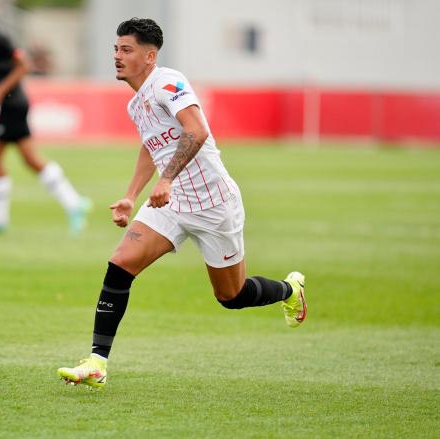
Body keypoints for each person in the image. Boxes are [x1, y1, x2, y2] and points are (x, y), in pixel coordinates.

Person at [57, 18, 307, 389]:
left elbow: (197, 130)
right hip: (171, 205)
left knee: (231, 296)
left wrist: (168, 179)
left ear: (149, 55)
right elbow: (151, 145)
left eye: (126, 50)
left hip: (213, 204)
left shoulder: (168, 82)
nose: (117, 56)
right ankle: (97, 363)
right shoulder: (135, 103)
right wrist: (130, 195)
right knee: (120, 264)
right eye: (115, 49)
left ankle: (290, 291)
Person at [0, 0, 90, 237]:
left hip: (13, 103)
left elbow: (23, 66)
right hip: (9, 104)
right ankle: (74, 203)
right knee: (30, 159)